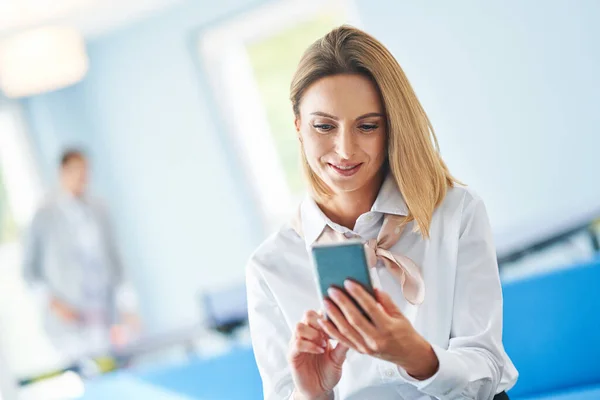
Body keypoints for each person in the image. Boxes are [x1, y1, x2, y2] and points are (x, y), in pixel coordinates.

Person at [246, 25, 518, 400]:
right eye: (324, 126)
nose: (344, 150)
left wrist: (417, 356)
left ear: (392, 128)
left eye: (368, 126)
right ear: (297, 127)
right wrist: (311, 393)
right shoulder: (269, 266)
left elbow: (486, 370)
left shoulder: (455, 211)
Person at [22, 149, 139, 361]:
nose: (83, 177)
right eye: (76, 170)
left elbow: (116, 261)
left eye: (86, 171)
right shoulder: (44, 214)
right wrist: (55, 304)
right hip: (69, 320)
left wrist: (128, 307)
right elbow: (29, 271)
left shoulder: (99, 209)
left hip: (105, 314)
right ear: (63, 172)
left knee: (118, 366)